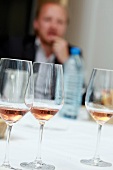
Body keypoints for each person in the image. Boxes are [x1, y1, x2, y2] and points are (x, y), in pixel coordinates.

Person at [0, 1, 85, 104]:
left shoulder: (73, 54)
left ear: (66, 27)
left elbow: (80, 98)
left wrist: (67, 62)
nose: (53, 26)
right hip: (20, 110)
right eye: (47, 19)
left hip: (51, 115)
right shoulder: (15, 46)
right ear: (36, 23)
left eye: (60, 22)